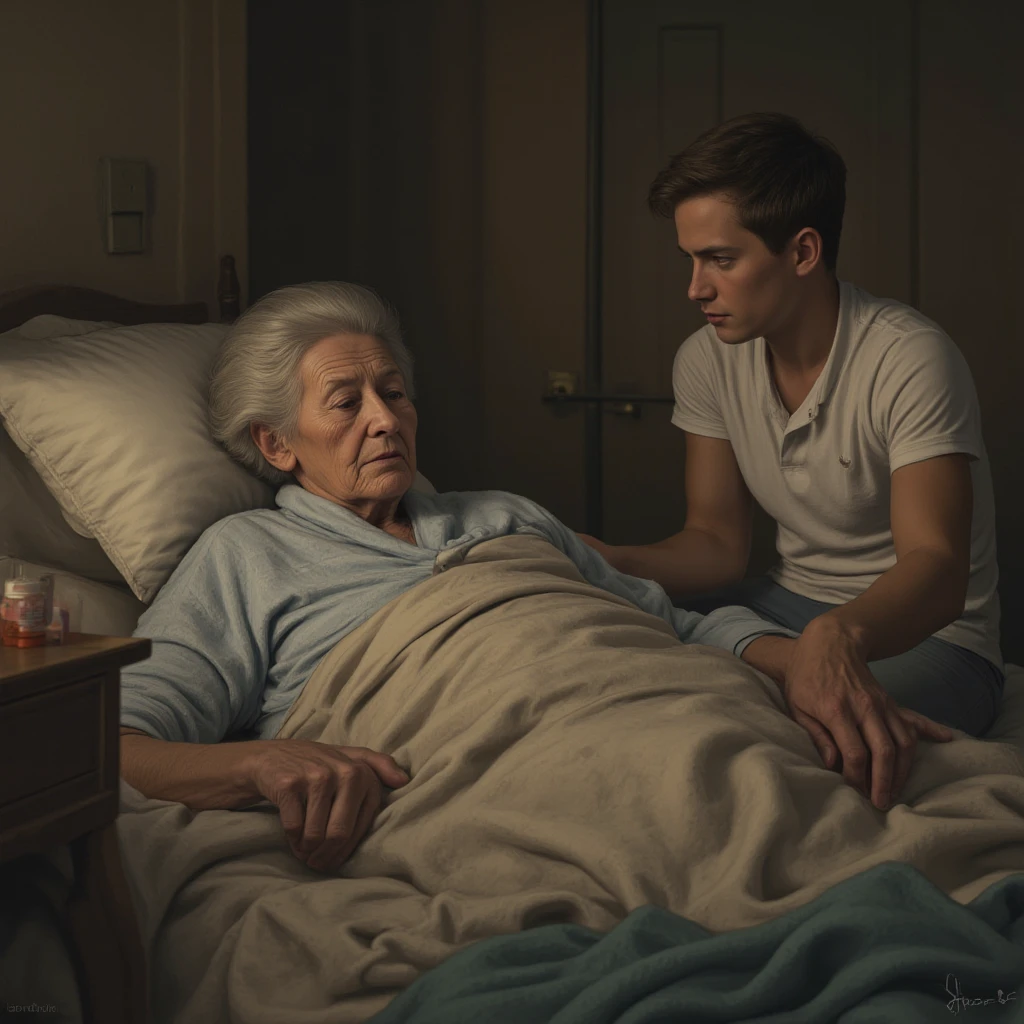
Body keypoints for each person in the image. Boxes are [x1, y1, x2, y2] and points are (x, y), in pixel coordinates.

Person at [121, 281, 914, 875]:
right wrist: (258, 764)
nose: (385, 418)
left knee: (828, 795)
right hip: (510, 772)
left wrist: (807, 658)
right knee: (715, 824)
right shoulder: (245, 556)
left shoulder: (503, 514)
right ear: (276, 443)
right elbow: (114, 742)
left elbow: (676, 627)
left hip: (664, 705)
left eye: (393, 393)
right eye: (346, 402)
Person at [579, 112, 999, 811]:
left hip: (932, 637)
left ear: (803, 252)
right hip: (783, 603)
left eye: (720, 259)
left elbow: (938, 571)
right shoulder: (705, 359)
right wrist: (605, 560)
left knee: (767, 736)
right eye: (690, 260)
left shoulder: (909, 357)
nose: (695, 288)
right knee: (615, 655)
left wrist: (838, 635)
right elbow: (715, 544)